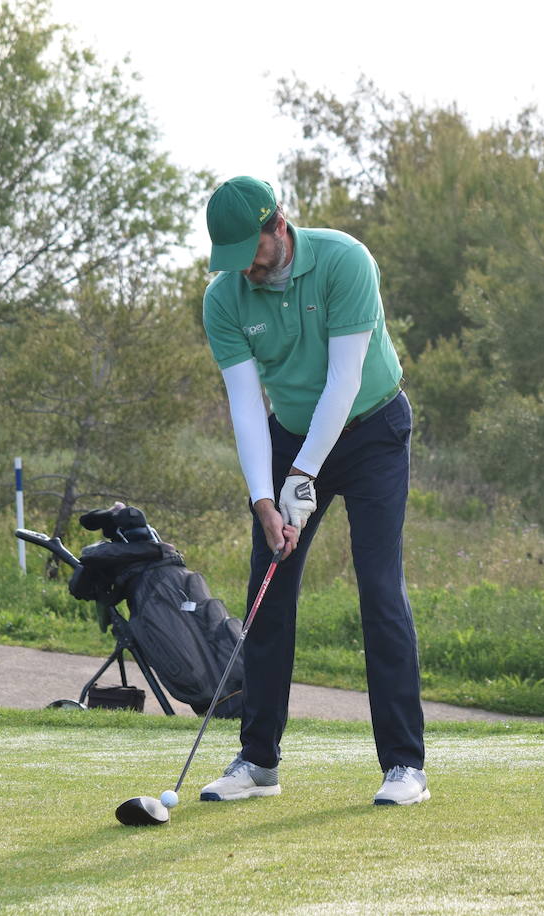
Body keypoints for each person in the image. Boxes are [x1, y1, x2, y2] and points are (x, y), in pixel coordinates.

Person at [197, 176, 428, 806]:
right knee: (268, 596)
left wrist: (303, 478)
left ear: (279, 227)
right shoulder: (224, 300)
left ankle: (405, 766)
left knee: (380, 589)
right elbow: (246, 405)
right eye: (232, 256)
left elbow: (345, 381)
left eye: (252, 250)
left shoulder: (345, 261)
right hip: (289, 434)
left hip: (373, 428)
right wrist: (265, 499)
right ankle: (258, 761)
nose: (244, 267)